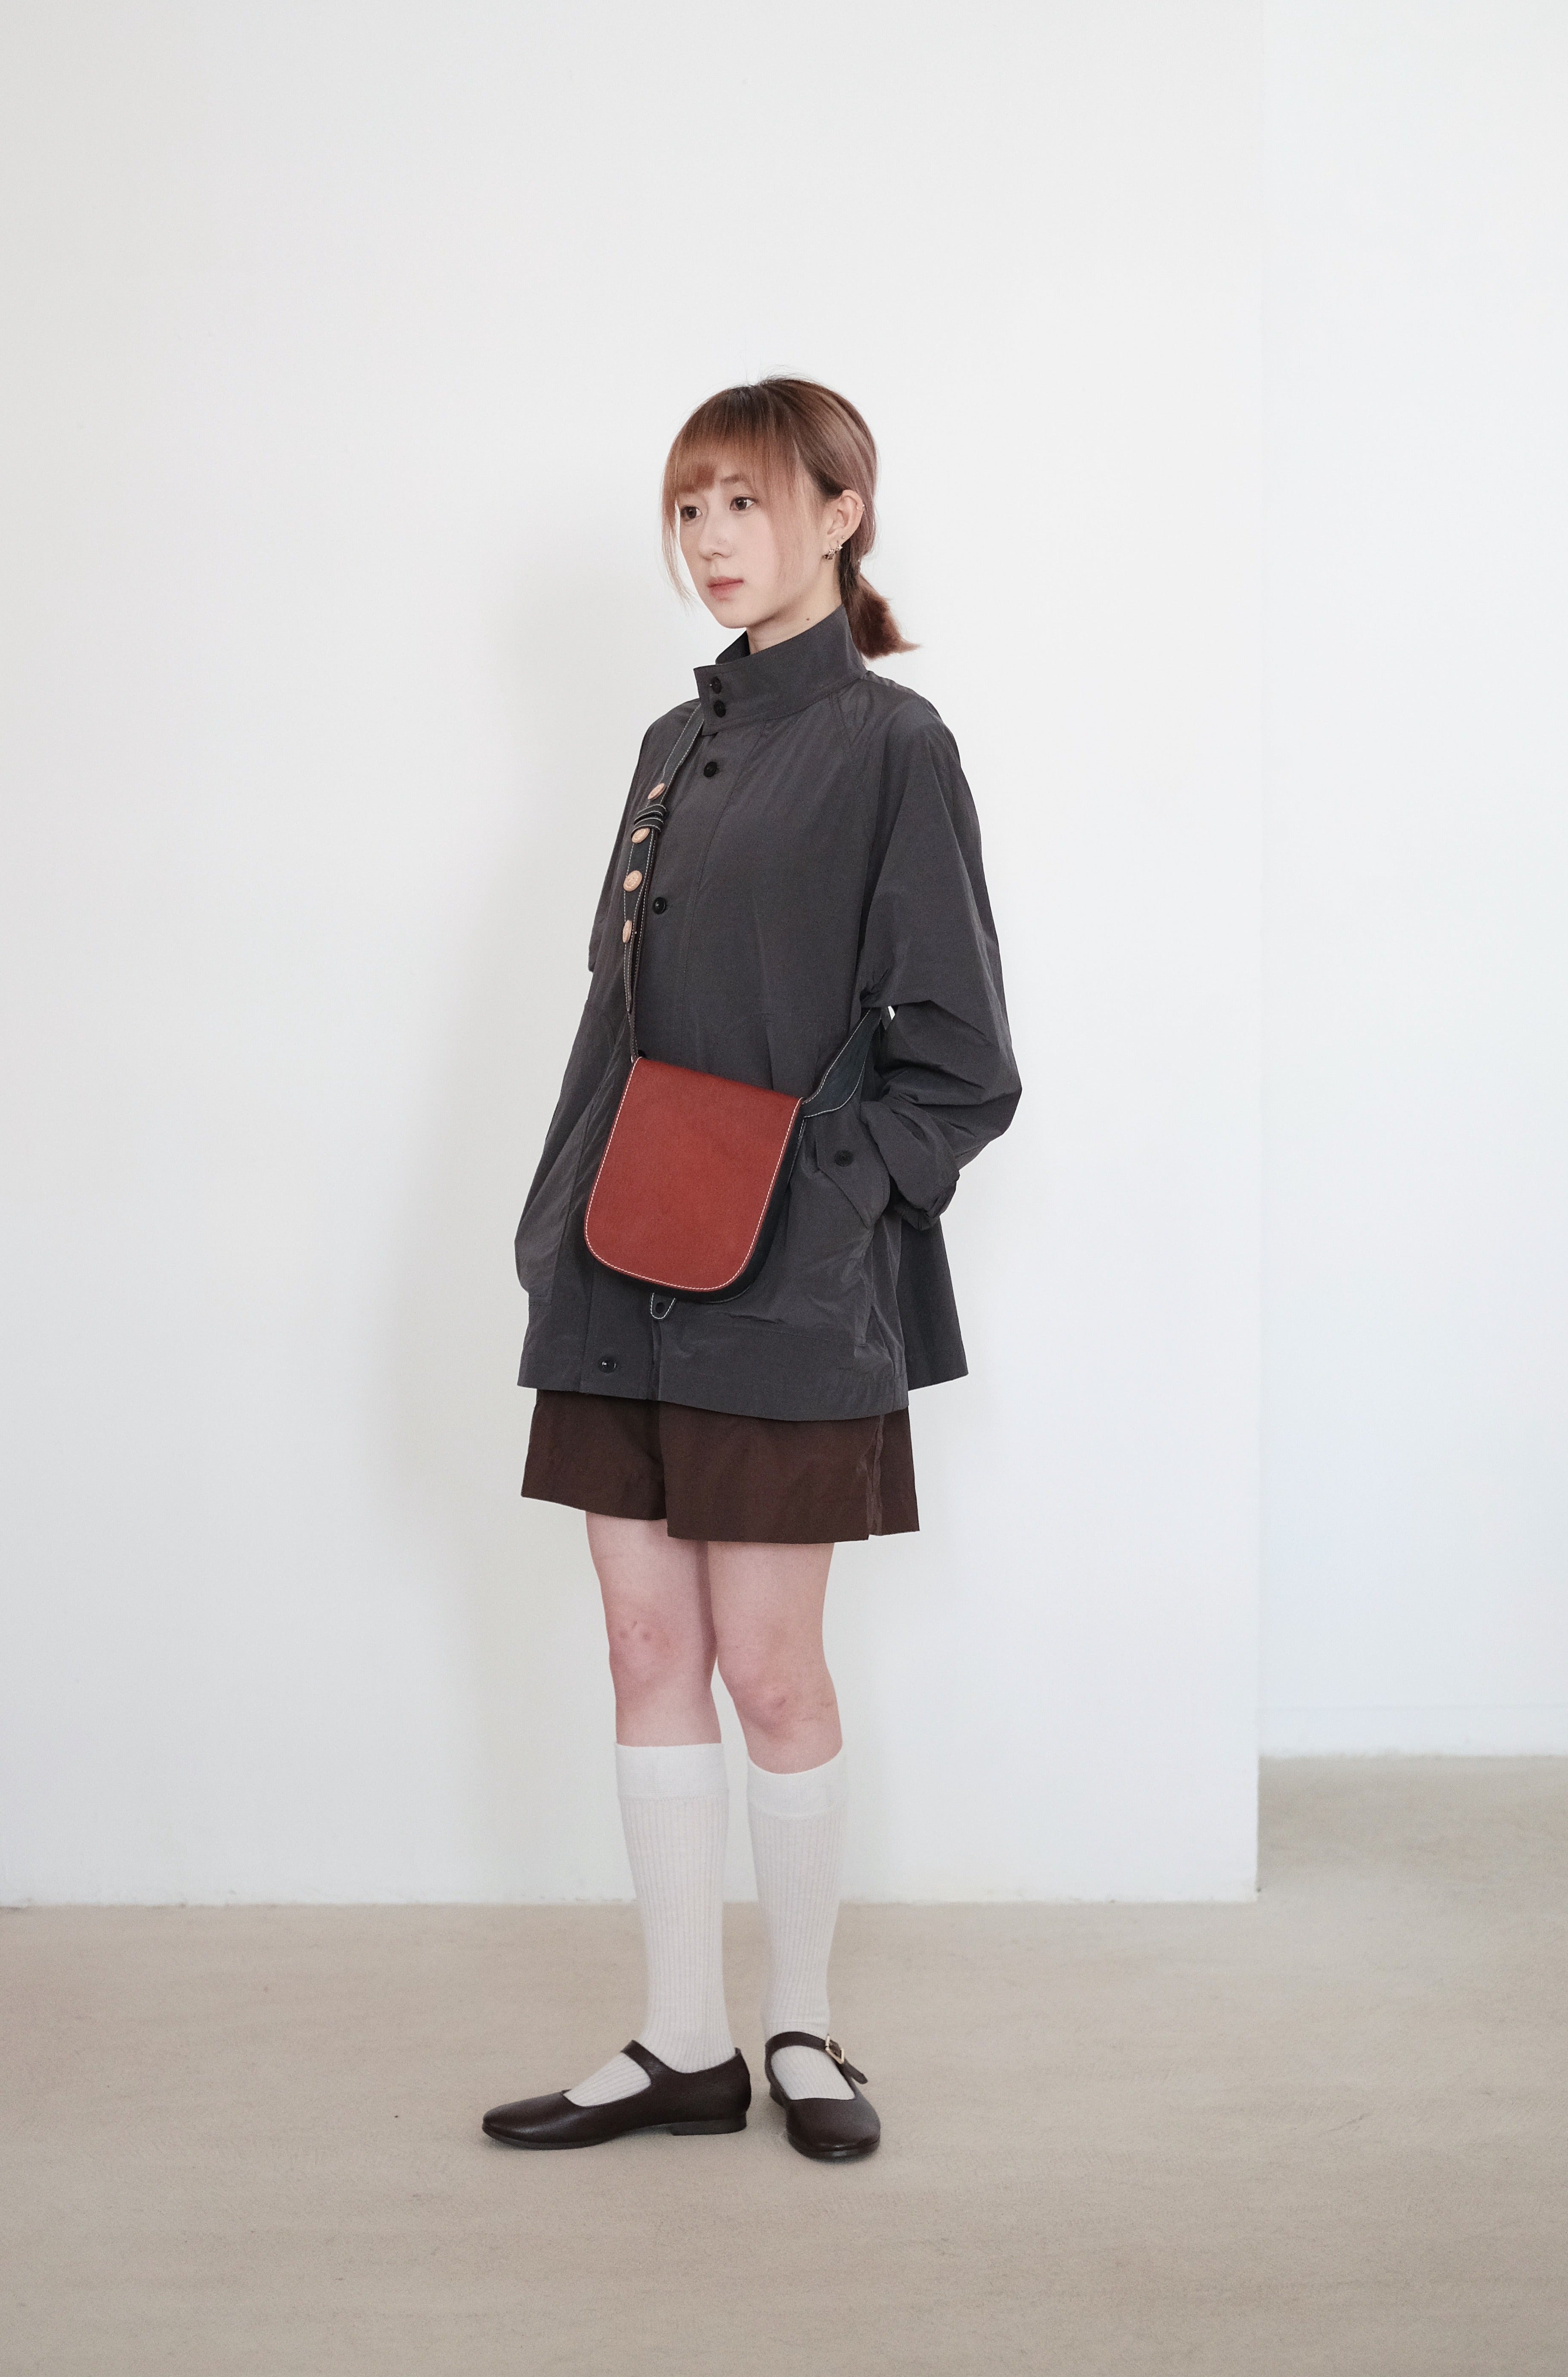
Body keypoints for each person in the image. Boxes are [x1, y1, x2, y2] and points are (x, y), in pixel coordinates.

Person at [482, 378, 1019, 2162]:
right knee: (644, 1643)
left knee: (774, 1672)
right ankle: (681, 2042)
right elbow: (613, 1022)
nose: (710, 540)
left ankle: (801, 2025)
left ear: (842, 514)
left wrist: (811, 1196)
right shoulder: (669, 741)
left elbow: (962, 1064)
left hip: (785, 1287)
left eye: (746, 502)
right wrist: (558, 1223)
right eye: (689, 508)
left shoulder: (892, 744)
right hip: (614, 1265)